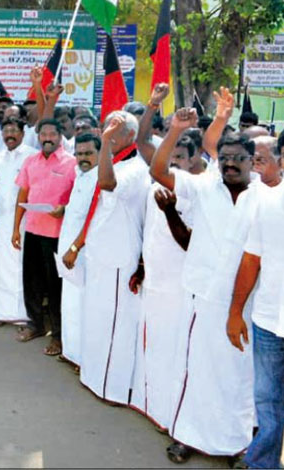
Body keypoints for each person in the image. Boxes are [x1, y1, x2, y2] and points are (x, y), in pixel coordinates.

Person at [149, 91, 258, 463]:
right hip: (201, 295)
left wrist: (223, 117)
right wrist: (176, 130)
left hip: (245, 302)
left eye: (238, 159)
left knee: (237, 375)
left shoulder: (263, 195)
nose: (229, 164)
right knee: (195, 369)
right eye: (224, 158)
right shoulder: (204, 184)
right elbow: (159, 172)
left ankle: (235, 442)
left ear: (252, 162)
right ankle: (187, 435)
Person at [65, 111, 148, 406]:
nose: (109, 132)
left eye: (116, 129)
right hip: (99, 254)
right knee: (97, 319)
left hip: (118, 257)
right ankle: (95, 376)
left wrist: (104, 143)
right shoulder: (116, 161)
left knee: (116, 324)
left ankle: (112, 388)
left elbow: (108, 185)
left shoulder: (134, 168)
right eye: (107, 126)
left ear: (129, 137)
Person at [128, 136, 200, 430]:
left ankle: (173, 414)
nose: (173, 164)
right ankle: (152, 405)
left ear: (192, 161)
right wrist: (142, 267)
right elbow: (148, 231)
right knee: (152, 343)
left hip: (180, 286)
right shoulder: (153, 190)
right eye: (168, 158)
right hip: (155, 280)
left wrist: (170, 211)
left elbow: (189, 243)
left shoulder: (196, 193)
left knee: (176, 349)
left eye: (179, 158)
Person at [226, 175, 284, 469]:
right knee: (267, 400)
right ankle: (263, 464)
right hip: (269, 320)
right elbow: (251, 259)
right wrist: (235, 312)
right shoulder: (270, 203)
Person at [11, 118, 76, 355]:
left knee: (55, 286)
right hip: (33, 230)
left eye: (52, 134)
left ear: (60, 137)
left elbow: (78, 198)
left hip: (57, 235)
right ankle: (35, 325)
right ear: (38, 137)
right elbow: (23, 194)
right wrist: (16, 228)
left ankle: (58, 336)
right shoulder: (31, 162)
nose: (47, 138)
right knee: (32, 282)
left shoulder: (72, 163)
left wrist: (64, 209)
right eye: (43, 134)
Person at [55, 132, 100, 370]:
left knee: (83, 307)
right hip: (68, 252)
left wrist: (74, 248)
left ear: (99, 154)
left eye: (88, 153)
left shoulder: (98, 179)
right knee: (70, 304)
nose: (83, 158)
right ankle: (71, 351)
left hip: (82, 253)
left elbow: (91, 220)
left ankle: (83, 359)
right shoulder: (80, 175)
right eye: (79, 154)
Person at [0, 116, 37, 327]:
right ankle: (1, 313)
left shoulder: (31, 157)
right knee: (1, 266)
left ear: (22, 133)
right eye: (6, 131)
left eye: (13, 131)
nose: (9, 135)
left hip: (25, 221)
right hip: (2, 219)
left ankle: (23, 314)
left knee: (21, 267)